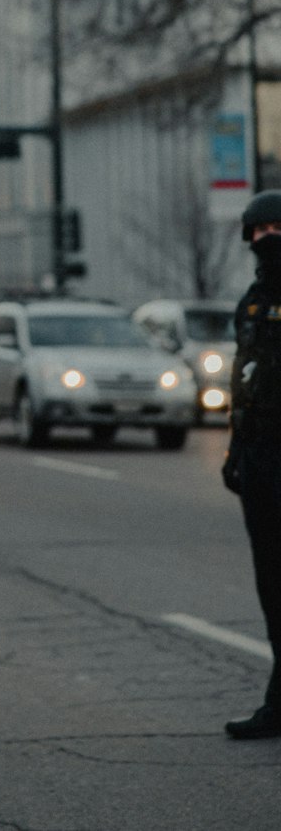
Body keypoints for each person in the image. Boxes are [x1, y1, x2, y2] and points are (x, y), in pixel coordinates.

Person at [223, 188, 281, 739]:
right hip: (260, 459)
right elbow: (243, 382)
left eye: (278, 229)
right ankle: (278, 703)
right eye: (261, 232)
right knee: (271, 586)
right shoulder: (252, 302)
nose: (269, 240)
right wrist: (235, 453)